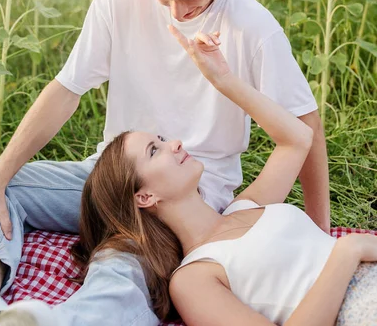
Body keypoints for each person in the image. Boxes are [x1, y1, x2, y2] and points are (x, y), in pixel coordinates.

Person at [0, 0, 329, 325]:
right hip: (114, 171)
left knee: (121, 262)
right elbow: (67, 90)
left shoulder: (253, 26)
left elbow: (305, 125)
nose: (179, 12)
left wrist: (320, 232)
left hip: (191, 193)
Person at [72, 26, 377, 326]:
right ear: (145, 196)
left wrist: (224, 79)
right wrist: (348, 252)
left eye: (163, 138)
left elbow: (298, 137)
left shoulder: (246, 206)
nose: (175, 143)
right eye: (155, 150)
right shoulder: (192, 278)